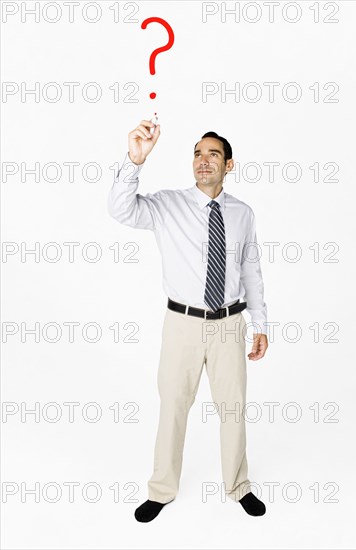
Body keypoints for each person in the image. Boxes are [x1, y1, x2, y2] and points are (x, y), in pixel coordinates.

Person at [107, 118, 268, 522]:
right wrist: (134, 160)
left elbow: (251, 271)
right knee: (173, 406)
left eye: (213, 154)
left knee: (233, 408)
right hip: (181, 324)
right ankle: (161, 490)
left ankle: (238, 486)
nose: (203, 160)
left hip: (230, 324)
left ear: (229, 164)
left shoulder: (243, 214)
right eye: (197, 153)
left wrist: (261, 323)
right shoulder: (167, 205)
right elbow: (120, 209)